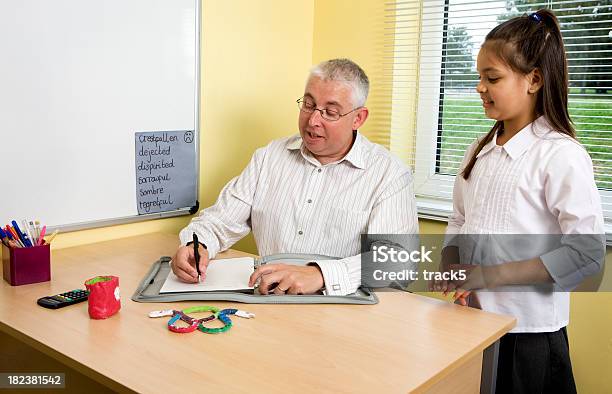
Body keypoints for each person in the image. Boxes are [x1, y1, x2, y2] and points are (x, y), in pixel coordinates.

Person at [431, 10, 605, 394]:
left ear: (534, 80)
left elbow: (586, 253)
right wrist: (452, 264)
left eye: (492, 78)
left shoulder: (560, 155)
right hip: (472, 325)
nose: (480, 87)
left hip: (528, 338)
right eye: (479, 77)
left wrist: (487, 275)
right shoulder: (478, 150)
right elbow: (460, 218)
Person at [171, 58, 418, 295]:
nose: (313, 120)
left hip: (342, 312)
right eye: (309, 105)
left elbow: (400, 262)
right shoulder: (269, 157)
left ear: (358, 118)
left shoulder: (389, 174)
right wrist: (198, 245)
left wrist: (321, 275)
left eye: (330, 112)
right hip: (268, 299)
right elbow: (220, 221)